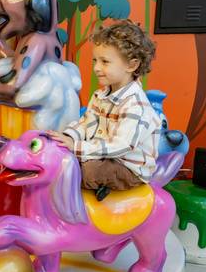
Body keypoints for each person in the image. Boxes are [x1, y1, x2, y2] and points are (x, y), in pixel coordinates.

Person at [48, 20, 161, 201]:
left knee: (88, 171)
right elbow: (85, 123)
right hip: (104, 155)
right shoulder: (100, 96)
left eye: (105, 62)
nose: (96, 68)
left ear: (132, 65)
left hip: (128, 166)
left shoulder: (136, 105)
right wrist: (69, 137)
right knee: (63, 160)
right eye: (95, 60)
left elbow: (121, 145)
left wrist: (76, 147)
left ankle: (102, 188)